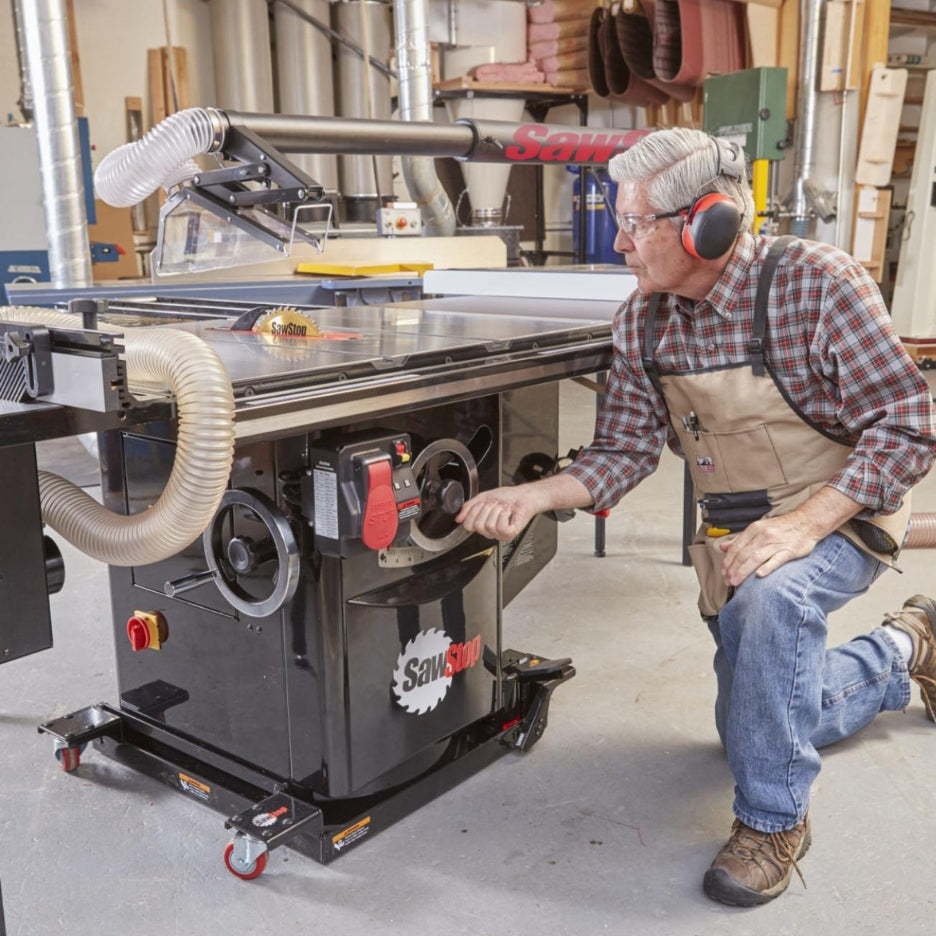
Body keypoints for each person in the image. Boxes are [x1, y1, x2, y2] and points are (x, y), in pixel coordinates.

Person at [455, 127, 936, 907]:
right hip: (738, 535)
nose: (617, 244)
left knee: (773, 604)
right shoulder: (645, 321)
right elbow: (623, 451)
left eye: (633, 224)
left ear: (706, 225)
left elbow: (910, 421)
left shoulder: (817, 283)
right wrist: (538, 494)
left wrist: (805, 524)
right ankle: (906, 646)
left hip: (842, 511)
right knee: (758, 722)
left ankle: (774, 822)